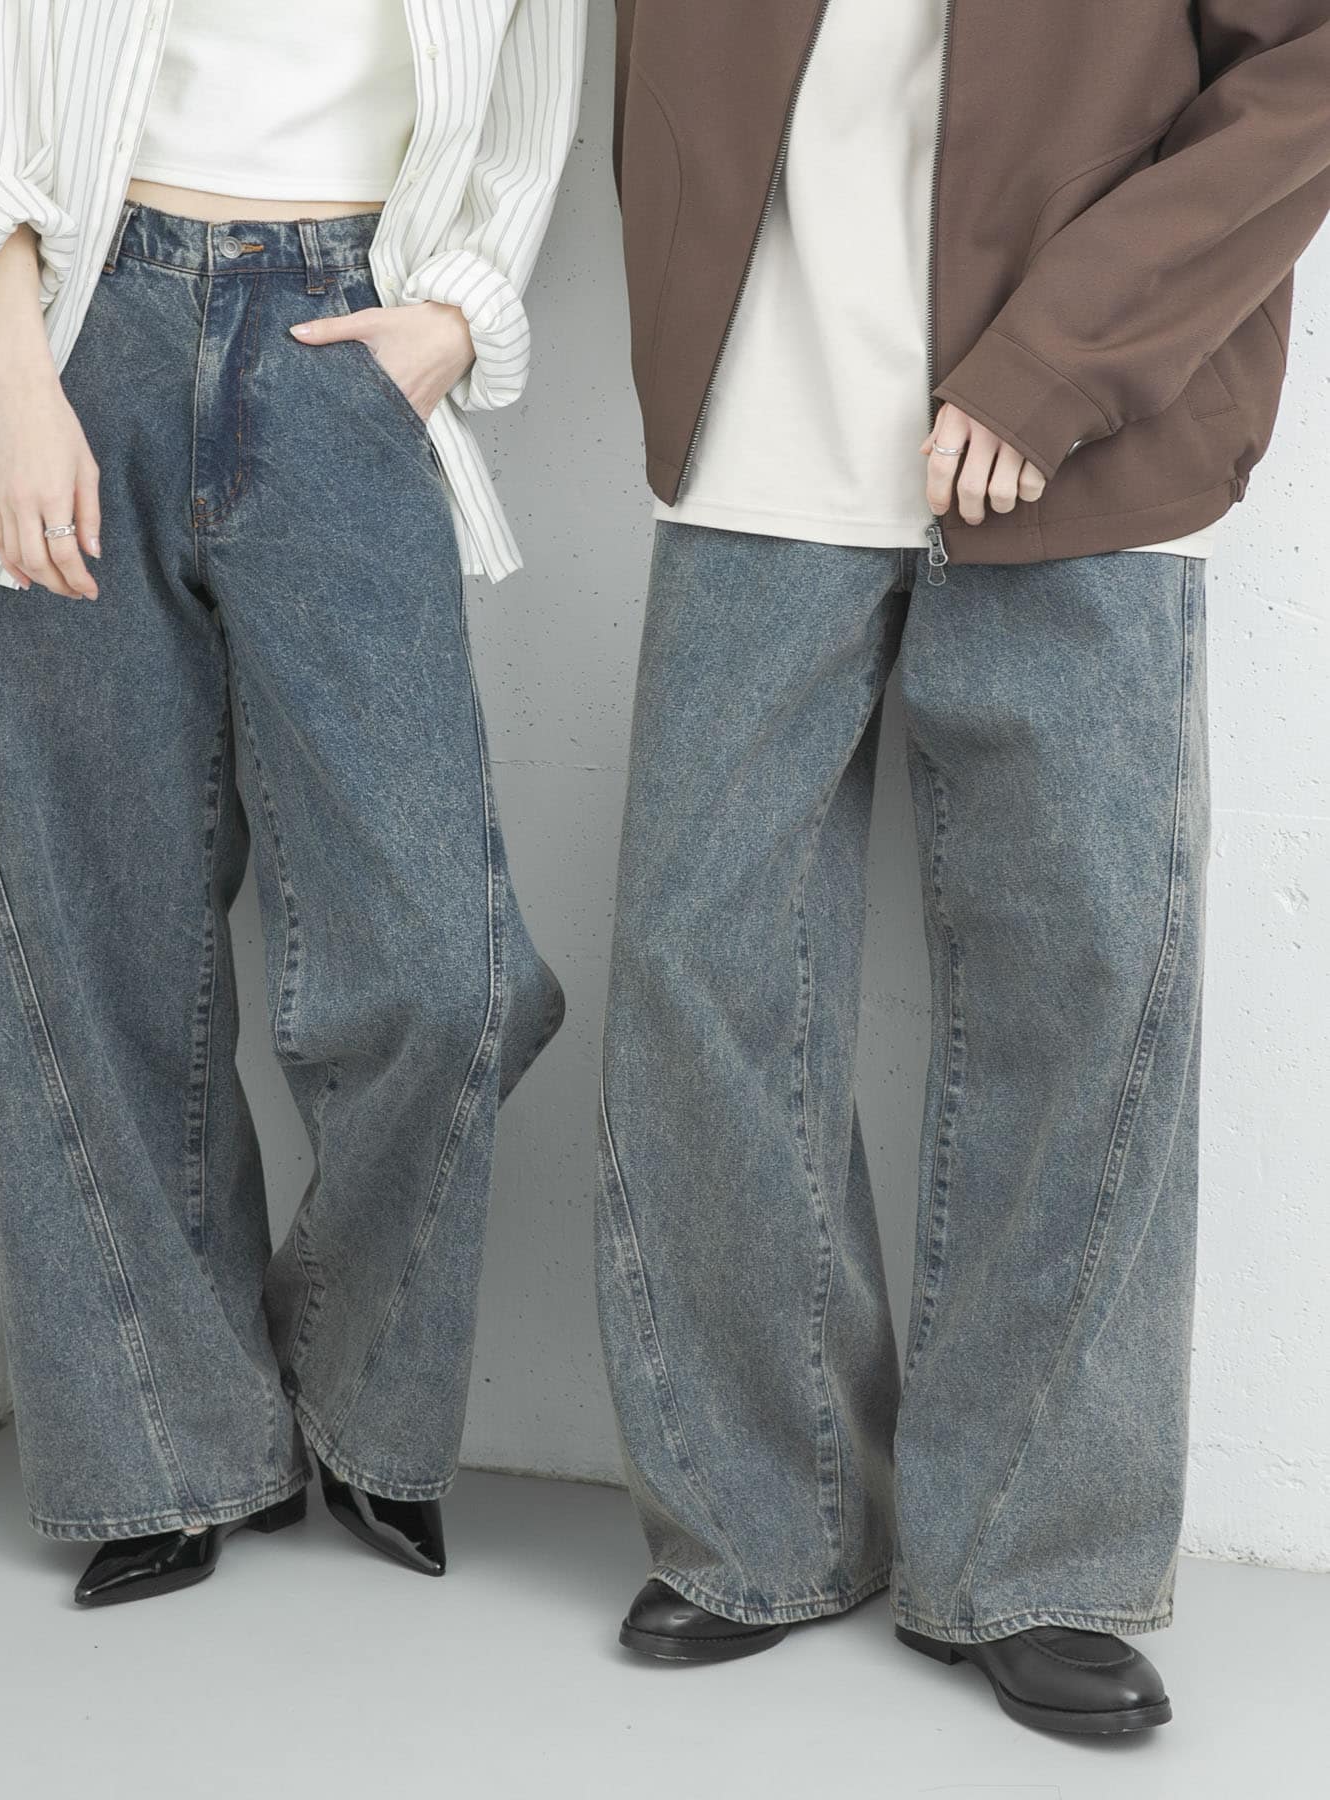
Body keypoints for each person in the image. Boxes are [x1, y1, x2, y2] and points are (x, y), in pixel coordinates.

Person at [598, 0, 1330, 1734]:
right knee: (700, 967)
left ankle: (1037, 1553)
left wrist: (1063, 355)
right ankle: (763, 1515)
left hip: (1080, 432)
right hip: (761, 413)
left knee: (1081, 989)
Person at [0, 0, 583, 1609]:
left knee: (448, 974)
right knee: (97, 938)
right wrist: (19, 377)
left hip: (343, 341)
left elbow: (530, 108)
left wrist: (453, 318)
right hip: (89, 336)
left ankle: (359, 1399)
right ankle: (165, 1445)